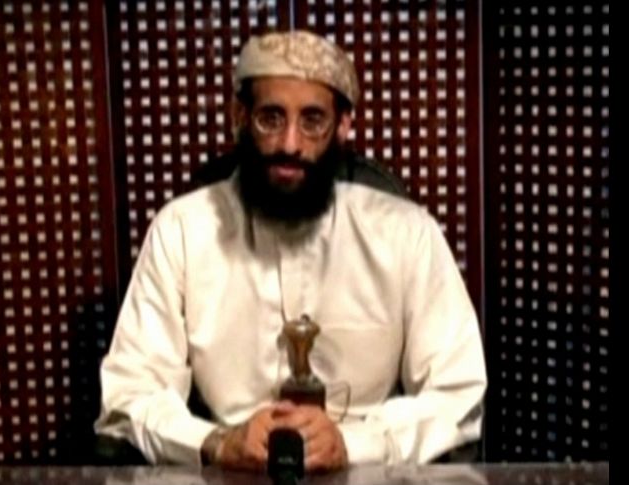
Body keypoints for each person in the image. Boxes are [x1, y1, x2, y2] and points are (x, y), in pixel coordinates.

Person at [94, 30, 486, 473]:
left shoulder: (407, 234)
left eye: (313, 120)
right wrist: (215, 442)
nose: (290, 144)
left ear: (343, 125)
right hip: (232, 474)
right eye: (271, 118)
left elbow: (457, 393)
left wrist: (355, 443)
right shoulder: (181, 231)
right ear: (240, 117)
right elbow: (130, 393)